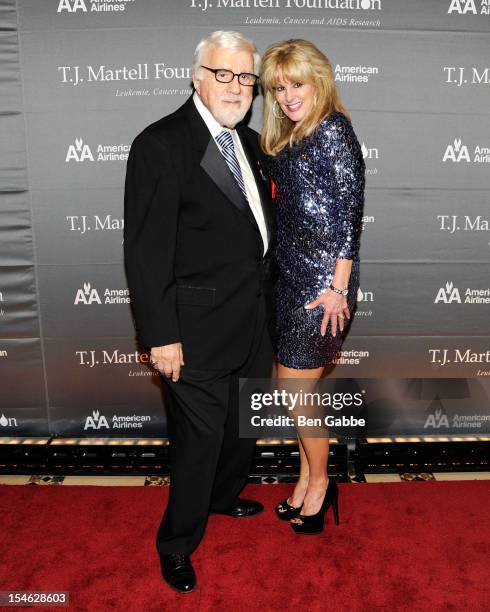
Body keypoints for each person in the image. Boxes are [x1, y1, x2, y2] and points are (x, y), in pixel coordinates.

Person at [123, 30, 274, 593]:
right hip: (194, 331)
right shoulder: (161, 145)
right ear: (197, 76)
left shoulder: (254, 145)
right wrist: (161, 336)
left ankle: (220, 498)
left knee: (245, 428)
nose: (236, 87)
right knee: (199, 442)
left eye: (245, 77)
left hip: (256, 322)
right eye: (223, 74)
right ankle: (177, 544)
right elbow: (145, 251)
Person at [260, 39, 365, 534]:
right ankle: (305, 480)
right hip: (290, 278)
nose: (286, 96)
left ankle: (321, 485)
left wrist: (338, 289)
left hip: (323, 288)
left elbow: (350, 214)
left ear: (318, 80)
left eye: (295, 84)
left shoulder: (332, 129)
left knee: (299, 394)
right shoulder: (292, 135)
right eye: (278, 88)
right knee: (291, 390)